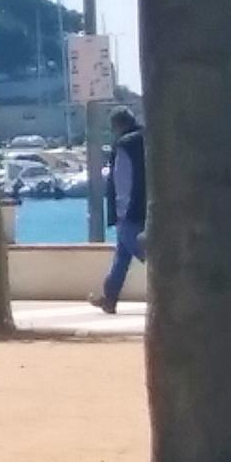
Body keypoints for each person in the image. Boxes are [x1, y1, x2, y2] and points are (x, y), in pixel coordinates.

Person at [89, 107, 146, 314]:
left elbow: (122, 180)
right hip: (145, 207)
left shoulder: (125, 144)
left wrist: (121, 211)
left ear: (117, 125)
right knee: (121, 257)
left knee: (147, 254)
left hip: (129, 212)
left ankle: (171, 294)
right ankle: (109, 297)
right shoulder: (148, 138)